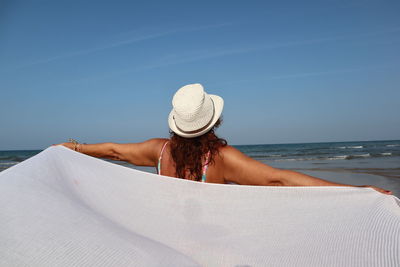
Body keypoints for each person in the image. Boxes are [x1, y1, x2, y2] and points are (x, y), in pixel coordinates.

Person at [55, 83, 392, 195]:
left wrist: (74, 147)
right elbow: (280, 179)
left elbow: (113, 151)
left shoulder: (158, 150)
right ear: (213, 121)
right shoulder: (220, 159)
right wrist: (355, 191)